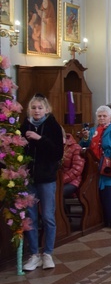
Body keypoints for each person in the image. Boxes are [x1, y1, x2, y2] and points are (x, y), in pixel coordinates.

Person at [21, 95, 65, 271]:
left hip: (46, 177)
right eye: (34, 108)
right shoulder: (25, 126)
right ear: (29, 110)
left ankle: (47, 253)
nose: (37, 111)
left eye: (40, 108)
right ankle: (34, 255)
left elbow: (57, 154)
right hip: (29, 178)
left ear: (47, 109)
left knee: (47, 216)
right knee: (30, 217)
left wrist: (40, 139)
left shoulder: (53, 126)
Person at [80, 105, 111, 229]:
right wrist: (85, 137)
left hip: (107, 164)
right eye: (99, 116)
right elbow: (85, 145)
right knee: (94, 191)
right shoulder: (94, 129)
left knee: (107, 191)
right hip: (93, 165)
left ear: (110, 117)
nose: (102, 118)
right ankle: (98, 218)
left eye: (104, 116)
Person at [62, 133, 85, 198]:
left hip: (72, 182)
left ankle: (60, 208)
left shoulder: (76, 148)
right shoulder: (55, 146)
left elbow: (76, 170)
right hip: (58, 181)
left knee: (56, 192)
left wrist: (61, 180)